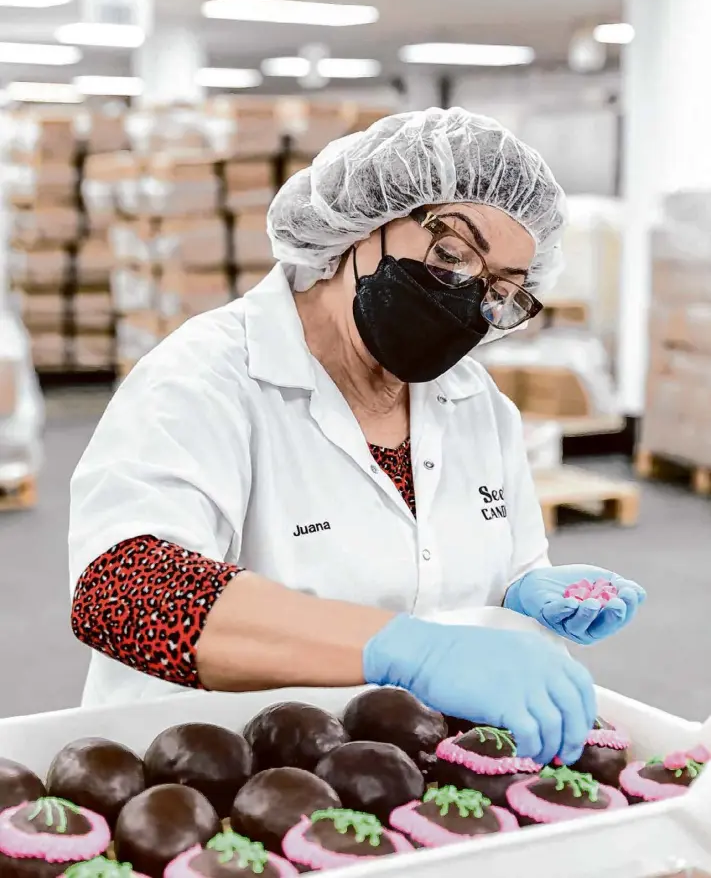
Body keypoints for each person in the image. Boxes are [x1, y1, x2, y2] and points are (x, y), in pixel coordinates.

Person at [69, 108, 645, 766]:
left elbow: (472, 570)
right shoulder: (202, 380)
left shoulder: (475, 403)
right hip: (212, 779)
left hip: (396, 777)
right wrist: (407, 650)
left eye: (501, 289)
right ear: (362, 222)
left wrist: (521, 592)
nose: (466, 299)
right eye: (452, 254)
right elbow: (124, 591)